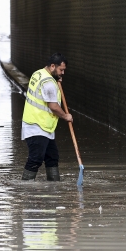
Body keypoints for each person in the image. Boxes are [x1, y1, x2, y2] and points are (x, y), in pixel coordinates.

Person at [21, 53, 73, 181]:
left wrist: (56, 78)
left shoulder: (38, 73)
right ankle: (25, 186)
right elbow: (53, 106)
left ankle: (53, 184)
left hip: (43, 127)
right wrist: (66, 116)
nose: (63, 73)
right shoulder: (48, 83)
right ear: (52, 66)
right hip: (37, 125)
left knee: (52, 157)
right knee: (36, 158)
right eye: (61, 70)